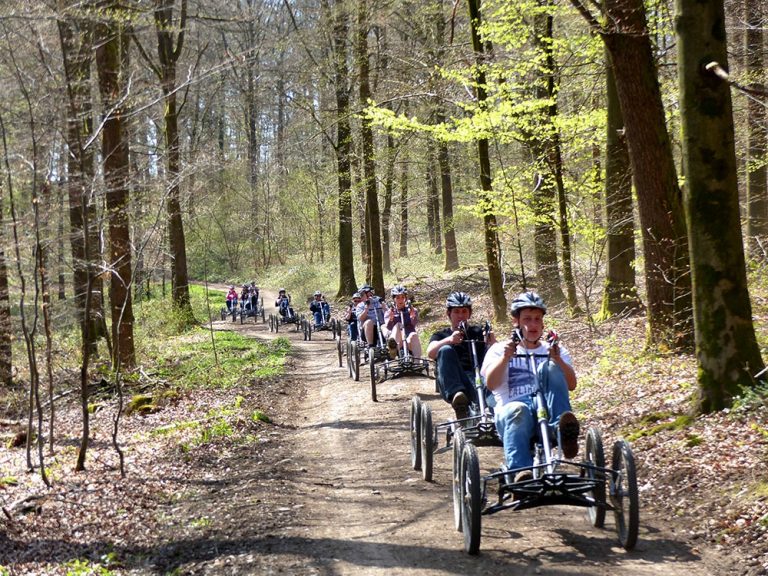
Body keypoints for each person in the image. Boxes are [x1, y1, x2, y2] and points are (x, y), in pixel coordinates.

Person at [481, 291, 579, 482]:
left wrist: (558, 360)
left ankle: (563, 432)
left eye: (537, 319)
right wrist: (505, 359)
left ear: (543, 323)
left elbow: (572, 385)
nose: (532, 324)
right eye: (527, 319)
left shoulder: (555, 350)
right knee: (519, 409)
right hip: (512, 411)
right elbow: (491, 385)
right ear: (516, 321)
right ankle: (521, 473)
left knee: (550, 367)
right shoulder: (499, 349)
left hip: (546, 413)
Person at [426, 291, 495, 421]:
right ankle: (459, 399)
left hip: (480, 377)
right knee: (445, 350)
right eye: (456, 312)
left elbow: (498, 353)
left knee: (492, 385)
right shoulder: (441, 335)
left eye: (464, 311)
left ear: (469, 313)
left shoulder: (478, 332)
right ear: (449, 314)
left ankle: (497, 417)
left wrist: (492, 342)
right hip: (457, 380)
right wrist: (449, 340)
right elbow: (430, 352)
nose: (461, 315)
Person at [384, 285, 421, 359]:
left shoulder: (412, 310)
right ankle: (393, 349)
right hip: (397, 340)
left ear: (406, 298)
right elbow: (389, 327)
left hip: (408, 338)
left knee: (414, 335)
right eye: (398, 298)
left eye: (402, 297)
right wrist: (391, 319)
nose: (400, 300)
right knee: (398, 325)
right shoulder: (389, 312)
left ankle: (417, 361)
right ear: (394, 299)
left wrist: (412, 317)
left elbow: (414, 324)